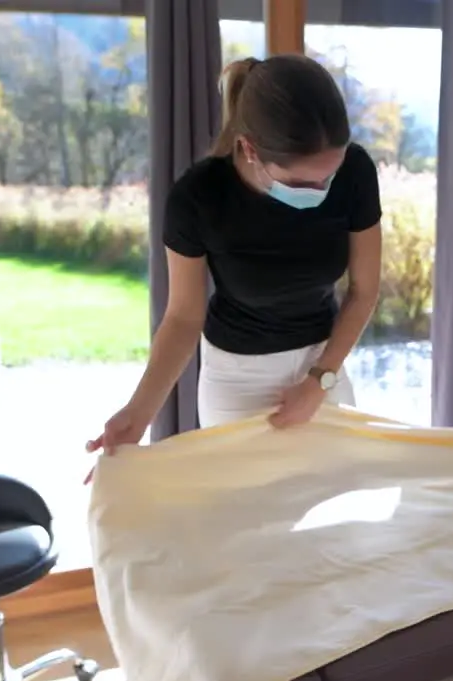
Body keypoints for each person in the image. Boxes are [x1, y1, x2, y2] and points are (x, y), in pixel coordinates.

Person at [86, 54, 383, 456]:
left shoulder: (357, 172)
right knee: (247, 512)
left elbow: (364, 291)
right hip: (238, 375)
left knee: (333, 500)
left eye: (329, 176)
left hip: (322, 358)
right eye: (302, 181)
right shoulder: (198, 198)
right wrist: (138, 413)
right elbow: (183, 317)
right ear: (249, 149)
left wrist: (319, 379)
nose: (321, 190)